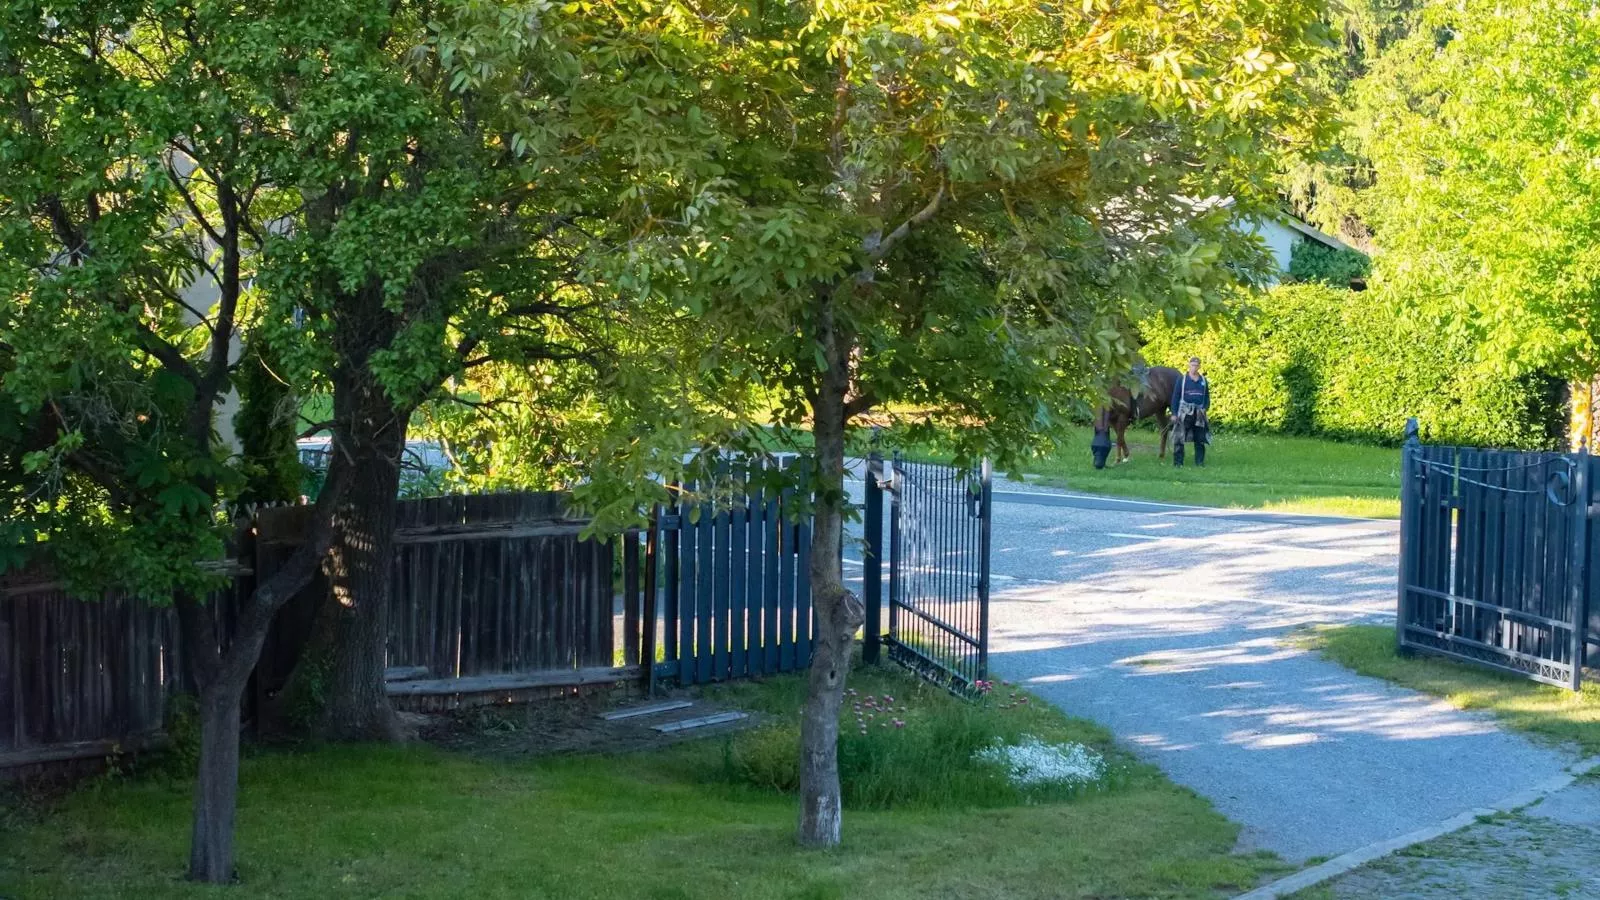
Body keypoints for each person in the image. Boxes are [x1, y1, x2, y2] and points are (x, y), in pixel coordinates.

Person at [1169, 356, 1210, 467]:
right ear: (1189, 365)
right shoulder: (1182, 380)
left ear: (1199, 366)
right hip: (1184, 413)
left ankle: (1199, 463)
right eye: (1192, 365)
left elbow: (1207, 397)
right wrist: (1174, 413)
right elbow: (1175, 397)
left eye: (1196, 365)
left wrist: (1205, 408)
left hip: (1199, 414)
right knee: (1179, 438)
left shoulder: (1203, 381)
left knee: (1200, 439)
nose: (1194, 367)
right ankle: (1178, 463)